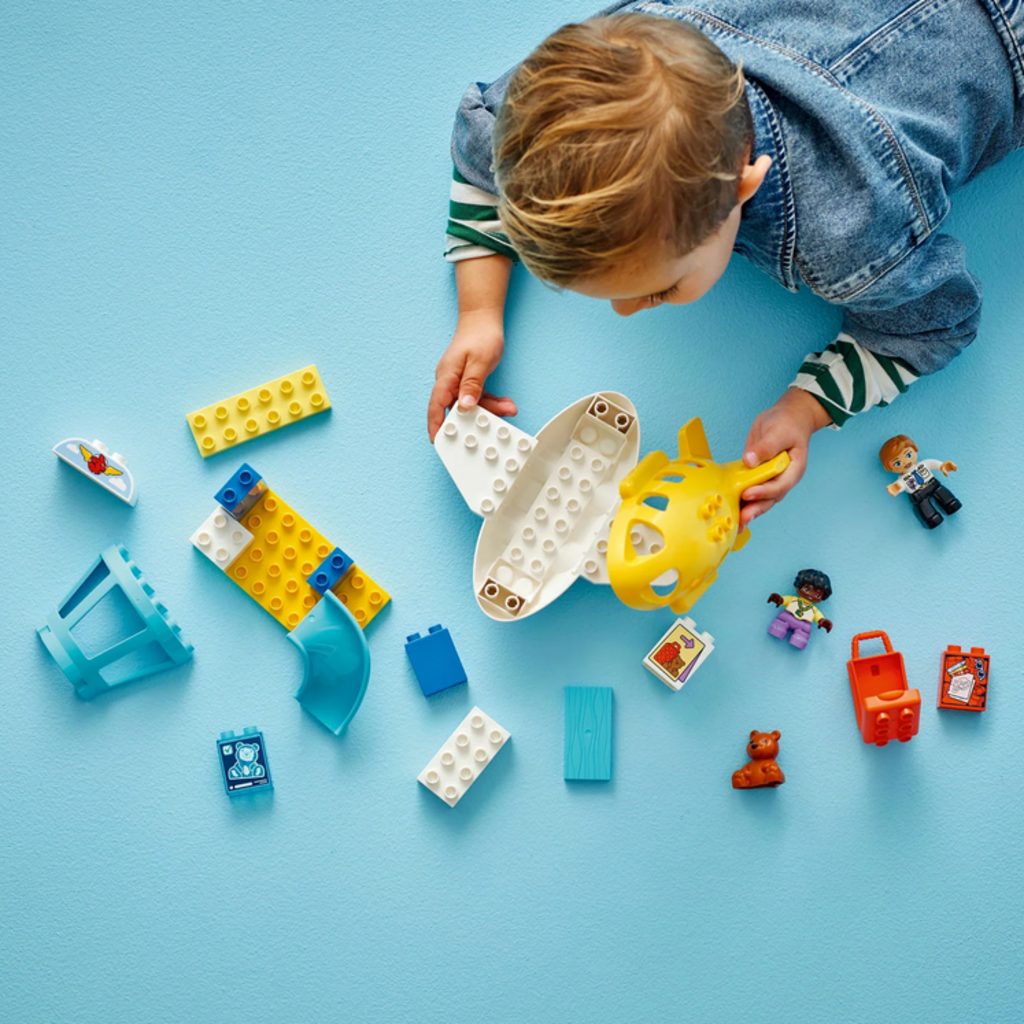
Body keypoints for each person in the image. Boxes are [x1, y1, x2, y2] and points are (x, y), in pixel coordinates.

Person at [428, 1, 1024, 525]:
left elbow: (930, 326)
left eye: (660, 289)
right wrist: (479, 315)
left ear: (745, 186)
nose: (625, 312)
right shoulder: (621, 58)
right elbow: (485, 147)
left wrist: (807, 407)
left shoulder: (846, 234)